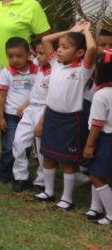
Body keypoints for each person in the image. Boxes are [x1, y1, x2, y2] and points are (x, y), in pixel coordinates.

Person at [33, 23, 96, 211]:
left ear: (79, 53)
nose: (59, 50)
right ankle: (49, 191)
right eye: (59, 46)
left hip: (71, 120)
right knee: (49, 156)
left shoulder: (83, 70)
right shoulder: (55, 64)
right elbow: (45, 39)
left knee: (68, 162)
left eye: (65, 47)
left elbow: (92, 48)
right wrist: (71, 31)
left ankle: (67, 199)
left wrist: (85, 31)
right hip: (52, 116)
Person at [0, 37, 39, 183]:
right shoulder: (6, 72)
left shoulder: (36, 72)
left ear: (29, 55)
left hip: (30, 115)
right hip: (10, 116)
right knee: (9, 146)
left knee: (24, 146)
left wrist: (27, 106)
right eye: (10, 56)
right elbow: (1, 96)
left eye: (19, 56)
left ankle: (21, 173)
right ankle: (5, 173)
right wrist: (0, 117)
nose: (15, 60)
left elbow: (38, 93)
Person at [11, 38, 51, 192]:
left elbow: (50, 98)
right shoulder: (39, 66)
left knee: (41, 149)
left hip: (45, 111)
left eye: (43, 53)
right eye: (37, 53)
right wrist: (26, 105)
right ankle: (21, 177)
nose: (39, 56)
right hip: (31, 109)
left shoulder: (56, 71)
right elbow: (37, 92)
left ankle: (41, 181)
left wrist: (42, 121)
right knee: (19, 142)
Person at [84, 49, 112, 225]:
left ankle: (110, 213)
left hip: (105, 139)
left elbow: (97, 123)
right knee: (106, 175)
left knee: (95, 175)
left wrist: (89, 145)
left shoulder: (101, 95)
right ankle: (96, 207)